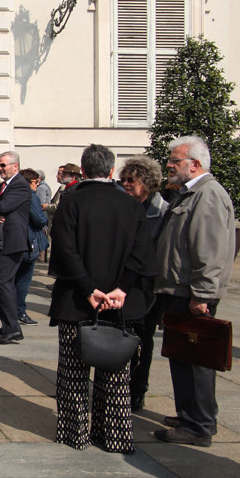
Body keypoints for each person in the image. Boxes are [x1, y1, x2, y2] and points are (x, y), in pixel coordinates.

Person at [48, 144, 156, 453]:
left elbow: (65, 249)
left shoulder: (72, 201)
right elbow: (142, 254)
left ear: (82, 171)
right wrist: (121, 289)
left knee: (73, 372)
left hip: (77, 300)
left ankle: (74, 433)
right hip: (120, 303)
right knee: (116, 373)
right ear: (111, 171)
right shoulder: (132, 206)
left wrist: (87, 288)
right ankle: (114, 436)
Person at [153, 136, 235, 447]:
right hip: (181, 289)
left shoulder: (208, 195)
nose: (169, 166)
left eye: (175, 161)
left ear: (194, 164)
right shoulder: (190, 194)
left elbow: (209, 251)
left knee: (197, 359)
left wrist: (202, 295)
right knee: (183, 356)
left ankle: (198, 425)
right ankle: (190, 413)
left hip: (191, 293)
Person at [118, 155, 171, 411]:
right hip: (122, 283)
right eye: (124, 180)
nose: (126, 184)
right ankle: (119, 386)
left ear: (147, 183)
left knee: (143, 338)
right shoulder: (124, 207)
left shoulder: (161, 211)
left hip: (147, 287)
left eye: (131, 180)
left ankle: (137, 389)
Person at [0, 151, 31, 344]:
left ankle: (12, 328)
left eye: (3, 165)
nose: (0, 168)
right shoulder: (4, 186)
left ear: (15, 166)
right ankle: (9, 325)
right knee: (5, 283)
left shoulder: (20, 185)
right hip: (3, 240)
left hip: (12, 242)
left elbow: (3, 207)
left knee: (2, 282)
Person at [12, 168, 48, 327]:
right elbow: (39, 219)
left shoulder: (13, 193)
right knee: (23, 281)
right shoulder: (30, 196)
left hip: (17, 240)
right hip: (28, 240)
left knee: (14, 279)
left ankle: (13, 310)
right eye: (35, 182)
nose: (37, 185)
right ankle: (19, 310)